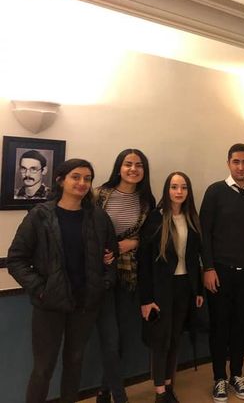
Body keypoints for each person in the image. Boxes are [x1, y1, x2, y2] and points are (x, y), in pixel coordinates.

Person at [7, 158, 117, 403]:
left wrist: (104, 283)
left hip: (85, 304)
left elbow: (111, 256)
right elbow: (16, 259)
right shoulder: (40, 216)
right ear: (61, 180)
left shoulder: (99, 218)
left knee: (75, 362)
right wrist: (41, 289)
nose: (82, 183)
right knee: (43, 368)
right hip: (50, 305)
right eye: (76, 177)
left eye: (87, 178)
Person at [200, 143, 244, 402]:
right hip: (219, 271)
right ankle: (219, 377)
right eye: (236, 162)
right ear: (228, 163)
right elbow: (205, 233)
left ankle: (236, 375)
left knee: (240, 324)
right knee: (220, 326)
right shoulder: (215, 191)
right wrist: (208, 268)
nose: (241, 167)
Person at [94, 149, 155, 403]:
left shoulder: (146, 201)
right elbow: (85, 228)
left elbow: (150, 237)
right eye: (128, 164)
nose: (133, 169)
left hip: (128, 275)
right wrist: (103, 250)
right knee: (110, 337)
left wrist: (133, 243)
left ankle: (104, 391)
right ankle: (118, 395)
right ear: (119, 167)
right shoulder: (99, 194)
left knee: (119, 337)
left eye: (139, 165)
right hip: (98, 274)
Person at [138, 172, 205, 402]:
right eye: (174, 187)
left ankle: (168, 385)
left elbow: (195, 259)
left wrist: (198, 290)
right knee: (161, 340)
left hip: (185, 286)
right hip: (161, 289)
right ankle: (160, 392)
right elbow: (144, 262)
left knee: (175, 338)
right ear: (167, 190)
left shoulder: (192, 219)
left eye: (184, 187)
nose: (179, 191)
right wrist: (146, 299)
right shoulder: (155, 219)